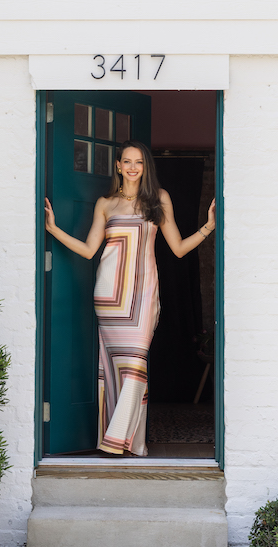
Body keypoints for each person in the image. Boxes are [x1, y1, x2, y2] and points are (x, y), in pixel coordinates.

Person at [44, 140, 215, 456]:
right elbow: (89, 249)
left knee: (135, 365)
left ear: (145, 167)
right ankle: (126, 441)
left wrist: (208, 227)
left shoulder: (158, 200)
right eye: (127, 161)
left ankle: (118, 439)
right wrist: (53, 230)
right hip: (109, 295)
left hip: (143, 294)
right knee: (112, 368)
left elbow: (177, 248)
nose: (133, 167)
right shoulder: (106, 203)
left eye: (139, 162)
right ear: (118, 166)